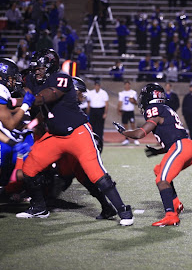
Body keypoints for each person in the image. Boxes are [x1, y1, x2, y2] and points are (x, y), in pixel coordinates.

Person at [18, 49, 133, 224]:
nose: (36, 72)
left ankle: (123, 211)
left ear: (49, 67)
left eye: (39, 68)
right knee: (29, 169)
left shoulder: (61, 78)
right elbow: (26, 91)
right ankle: (39, 207)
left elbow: (42, 98)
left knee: (97, 175)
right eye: (34, 68)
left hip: (77, 133)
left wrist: (19, 101)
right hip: (55, 136)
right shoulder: (33, 79)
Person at [113, 83, 192, 227]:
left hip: (181, 147)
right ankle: (176, 204)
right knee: (159, 171)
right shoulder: (166, 108)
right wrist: (157, 151)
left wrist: (124, 132)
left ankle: (171, 215)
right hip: (184, 148)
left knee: (162, 180)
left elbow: (140, 133)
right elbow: (172, 137)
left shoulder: (154, 109)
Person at [0, 58, 35, 210]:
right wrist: (25, 105)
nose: (14, 81)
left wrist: (12, 143)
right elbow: (10, 123)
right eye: (12, 78)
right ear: (1, 77)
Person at [117, 80, 139, 146]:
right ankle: (127, 139)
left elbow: (136, 103)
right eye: (126, 85)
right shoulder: (122, 93)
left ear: (129, 85)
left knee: (133, 125)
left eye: (128, 85)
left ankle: (135, 139)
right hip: (124, 111)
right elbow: (120, 102)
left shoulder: (133, 93)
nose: (127, 86)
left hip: (130, 111)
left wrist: (133, 101)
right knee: (125, 125)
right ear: (124, 85)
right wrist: (118, 109)